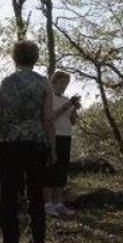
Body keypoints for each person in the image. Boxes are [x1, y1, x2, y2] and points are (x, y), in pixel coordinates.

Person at [0, 39, 55, 243]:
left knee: (8, 195)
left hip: (8, 144)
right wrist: (52, 146)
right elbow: (48, 118)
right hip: (36, 143)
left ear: (14, 58)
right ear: (35, 58)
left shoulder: (5, 83)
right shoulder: (44, 84)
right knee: (36, 195)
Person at [44, 71, 81, 217]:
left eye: (67, 84)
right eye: (62, 83)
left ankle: (58, 203)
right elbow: (49, 118)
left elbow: (72, 123)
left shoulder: (67, 100)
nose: (64, 86)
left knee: (62, 170)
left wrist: (73, 111)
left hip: (66, 136)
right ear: (54, 82)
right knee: (50, 170)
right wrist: (66, 107)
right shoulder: (49, 98)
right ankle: (47, 204)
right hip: (52, 136)